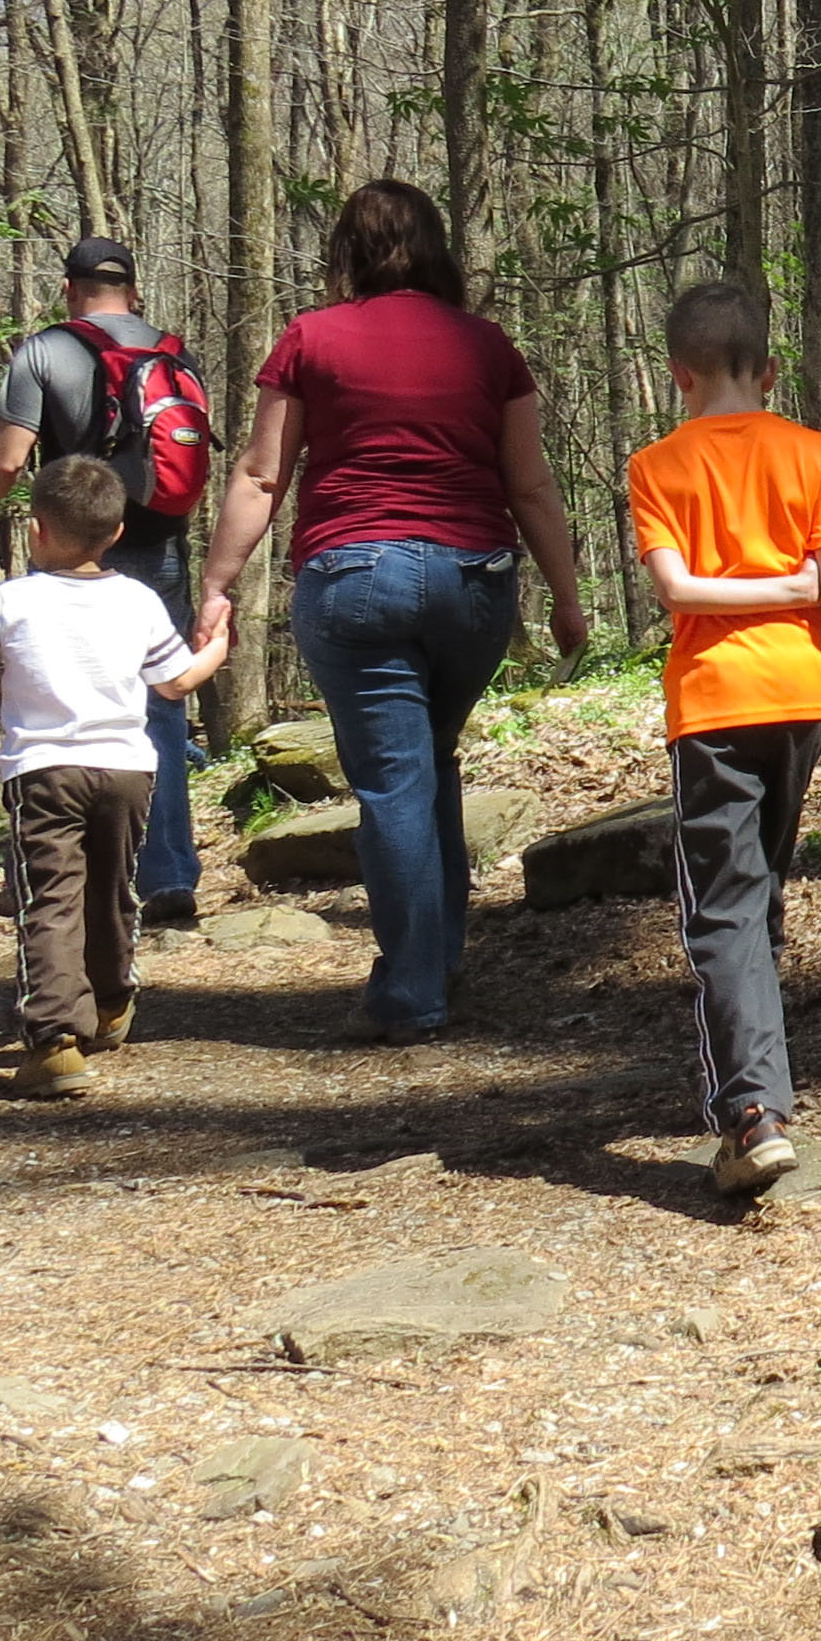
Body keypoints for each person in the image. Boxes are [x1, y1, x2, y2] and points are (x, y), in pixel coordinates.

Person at [195, 182, 593, 1045]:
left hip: (354, 577)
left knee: (396, 780)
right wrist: (565, 596)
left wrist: (218, 585)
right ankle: (438, 956)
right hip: (472, 579)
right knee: (426, 763)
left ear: (349, 252)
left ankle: (413, 992)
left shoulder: (313, 338)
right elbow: (528, 483)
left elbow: (262, 475)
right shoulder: (486, 345)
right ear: (438, 248)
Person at [628, 280, 821, 1196]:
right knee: (755, 890)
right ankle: (760, 1085)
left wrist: (775, 589)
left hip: (717, 703)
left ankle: (752, 1113)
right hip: (802, 695)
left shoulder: (658, 466)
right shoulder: (812, 452)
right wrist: (805, 589)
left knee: (723, 906)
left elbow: (681, 592)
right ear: (768, 370)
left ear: (679, 374)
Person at [0, 456, 231, 1098]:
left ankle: (54, 1042)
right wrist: (217, 644)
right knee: (112, 889)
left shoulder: (10, 602)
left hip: (44, 774)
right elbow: (176, 682)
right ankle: (110, 1002)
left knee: (50, 898)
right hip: (127, 771)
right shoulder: (136, 600)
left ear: (34, 529)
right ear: (112, 534)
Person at [0, 237, 215, 927]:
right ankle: (168, 875)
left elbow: (7, 462)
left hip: (70, 555)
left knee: (49, 706)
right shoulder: (174, 354)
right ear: (134, 289)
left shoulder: (45, 353)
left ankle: (42, 872)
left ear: (69, 288)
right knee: (160, 711)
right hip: (161, 550)